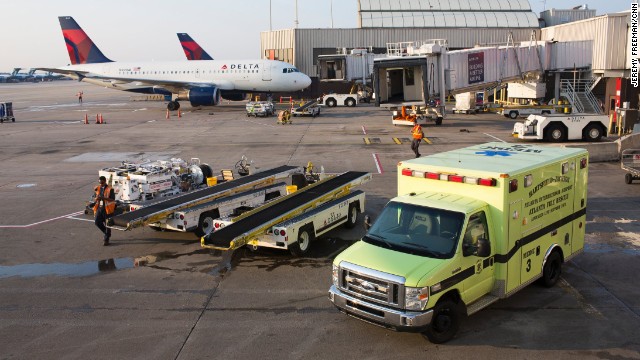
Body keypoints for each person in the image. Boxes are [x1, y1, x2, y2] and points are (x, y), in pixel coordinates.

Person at [93, 176, 115, 245]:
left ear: (105, 181)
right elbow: (95, 197)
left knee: (107, 224)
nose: (101, 184)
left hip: (107, 209)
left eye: (102, 183)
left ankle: (106, 239)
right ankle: (107, 234)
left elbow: (112, 199)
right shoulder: (98, 188)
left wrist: (103, 198)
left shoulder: (110, 189)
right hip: (99, 208)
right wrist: (97, 199)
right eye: (100, 183)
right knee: (97, 222)